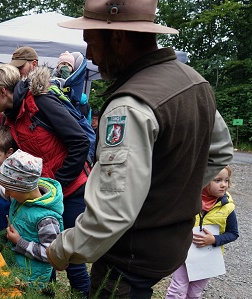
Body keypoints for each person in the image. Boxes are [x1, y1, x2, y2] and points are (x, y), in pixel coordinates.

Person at [45, 0, 234, 298]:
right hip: (169, 246)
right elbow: (220, 152)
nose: (90, 57)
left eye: (91, 43)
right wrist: (169, 196)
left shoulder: (129, 105)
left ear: (118, 38)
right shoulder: (195, 83)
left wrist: (60, 250)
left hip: (129, 258)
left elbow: (113, 210)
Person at [0, 64, 91, 297]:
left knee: (70, 256)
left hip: (70, 190)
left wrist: (58, 184)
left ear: (2, 92)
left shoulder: (41, 102)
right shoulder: (9, 116)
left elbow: (80, 141)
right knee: (41, 251)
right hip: (38, 193)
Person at [0, 149, 64, 291]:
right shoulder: (20, 193)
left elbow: (51, 254)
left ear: (23, 187)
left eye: (9, 189)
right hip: (15, 269)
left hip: (31, 280)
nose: (6, 193)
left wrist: (19, 242)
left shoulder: (47, 219)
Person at [166, 166, 239, 299]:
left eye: (226, 180)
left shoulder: (228, 207)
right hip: (184, 255)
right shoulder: (190, 201)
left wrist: (214, 240)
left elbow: (233, 233)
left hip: (207, 258)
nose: (224, 185)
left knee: (194, 293)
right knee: (178, 290)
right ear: (204, 181)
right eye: (217, 180)